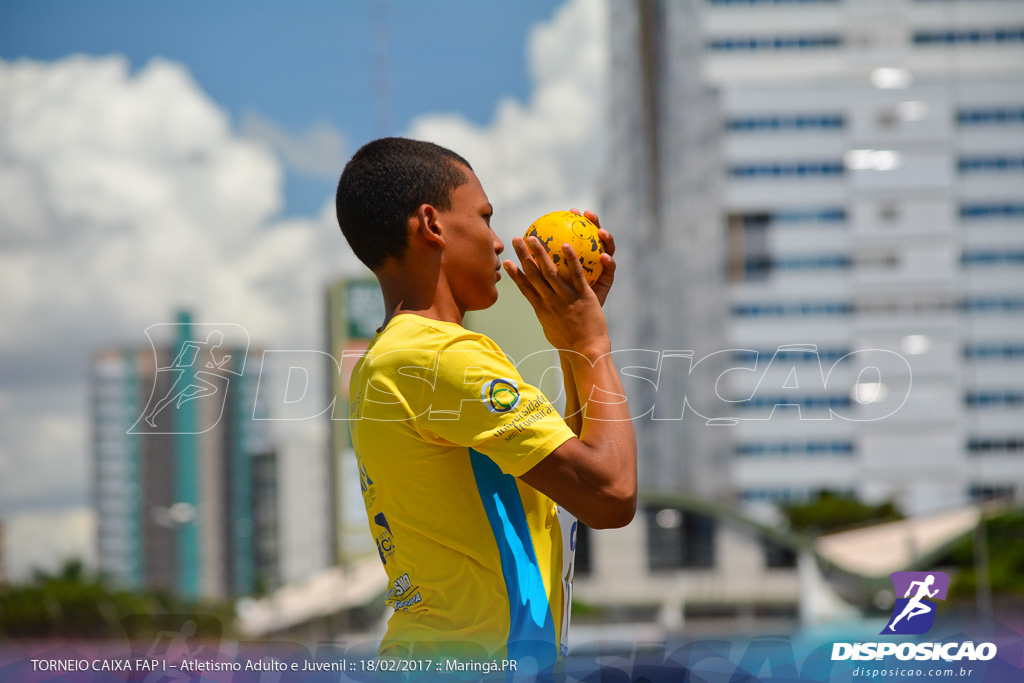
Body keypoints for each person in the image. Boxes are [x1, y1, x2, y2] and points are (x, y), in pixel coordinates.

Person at [334, 137, 637, 668]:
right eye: (485, 217)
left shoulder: (394, 358)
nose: (499, 243)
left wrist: (569, 342)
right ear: (431, 224)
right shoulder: (439, 357)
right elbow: (609, 492)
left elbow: (566, 485)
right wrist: (592, 346)